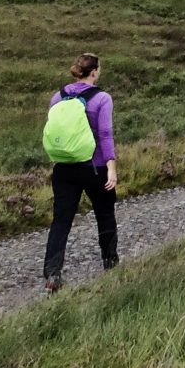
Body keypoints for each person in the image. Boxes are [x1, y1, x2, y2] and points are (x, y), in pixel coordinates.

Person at [43, 51, 118, 290]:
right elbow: (105, 134)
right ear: (94, 72)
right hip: (94, 167)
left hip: (64, 168)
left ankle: (52, 274)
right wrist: (111, 167)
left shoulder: (58, 97)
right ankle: (110, 262)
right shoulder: (102, 99)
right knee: (104, 213)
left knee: (61, 220)